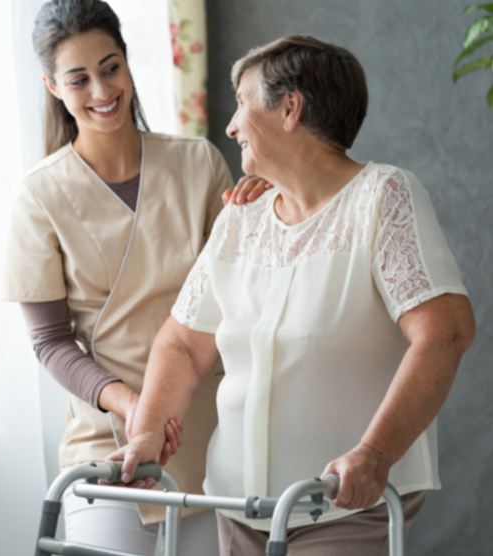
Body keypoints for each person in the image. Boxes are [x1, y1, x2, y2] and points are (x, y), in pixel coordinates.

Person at [110, 35, 476, 556]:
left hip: (344, 502)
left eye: (243, 102)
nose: (232, 125)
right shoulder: (242, 217)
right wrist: (146, 431)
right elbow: (184, 346)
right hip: (237, 505)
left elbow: (446, 331)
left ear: (290, 108)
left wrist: (374, 455)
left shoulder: (381, 197)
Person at [0, 1, 271, 555]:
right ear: (53, 87)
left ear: (126, 62)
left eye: (111, 67)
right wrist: (131, 403)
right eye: (79, 78)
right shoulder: (38, 196)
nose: (102, 90)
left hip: (204, 438)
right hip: (106, 445)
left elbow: (245, 296)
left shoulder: (198, 164)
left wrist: (265, 208)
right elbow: (51, 342)